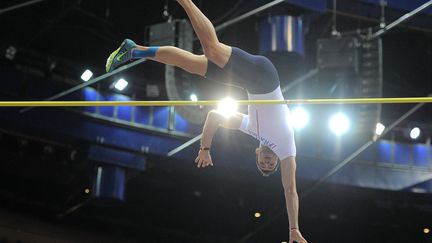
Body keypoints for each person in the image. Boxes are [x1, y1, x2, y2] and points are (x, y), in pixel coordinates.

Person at [106, 1, 307, 242]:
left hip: (248, 82)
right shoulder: (286, 149)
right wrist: (293, 229)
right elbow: (290, 190)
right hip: (264, 77)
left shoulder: (250, 128)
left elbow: (214, 117)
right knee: (212, 49)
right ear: (275, 159)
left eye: (263, 164)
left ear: (255, 154)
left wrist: (205, 148)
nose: (266, 161)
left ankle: (134, 51)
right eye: (270, 163)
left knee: (191, 64)